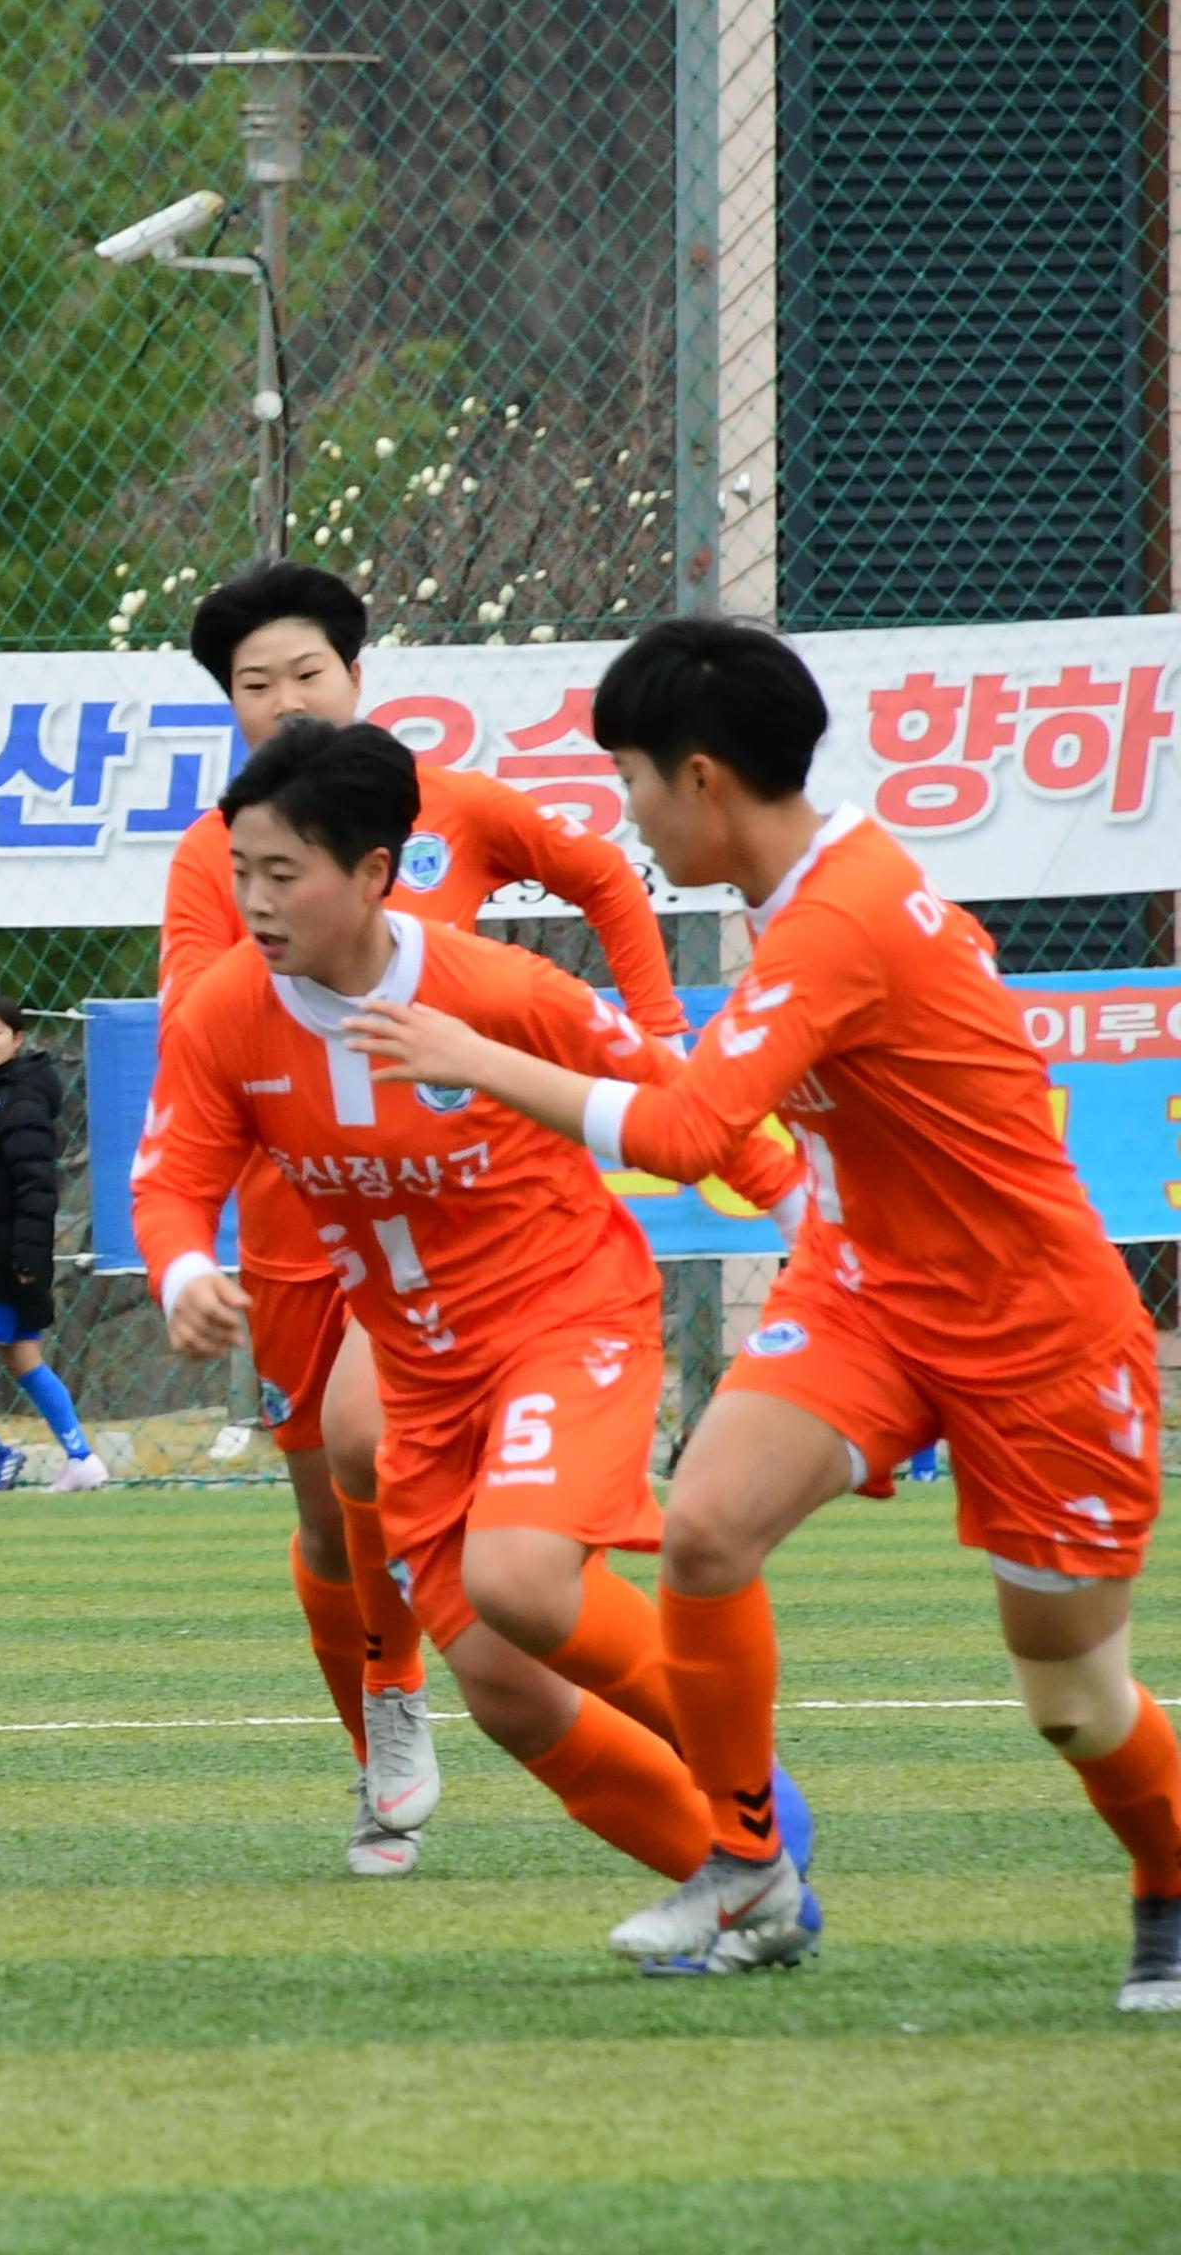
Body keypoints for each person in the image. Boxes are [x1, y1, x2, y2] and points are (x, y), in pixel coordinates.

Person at [346, 620, 1181, 2003]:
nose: (624, 814)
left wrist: (473, 1057)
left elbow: (679, 1132)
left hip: (1039, 1327)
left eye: (630, 781)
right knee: (708, 1529)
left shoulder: (842, 914)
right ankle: (748, 1868)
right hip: (870, 1292)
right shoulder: (790, 894)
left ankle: (1170, 1881)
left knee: (1073, 1699)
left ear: (703, 780)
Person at [137, 719, 810, 1934]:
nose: (255, 899)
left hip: (566, 1312)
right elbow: (172, 1175)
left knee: (519, 1574)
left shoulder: (501, 990)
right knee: (501, 1684)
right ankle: (754, 1896)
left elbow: (681, 1105)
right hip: (420, 1365)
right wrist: (184, 1264)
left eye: (282, 873)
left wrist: (807, 1210)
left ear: (377, 873)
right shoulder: (225, 1013)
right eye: (241, 871)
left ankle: (748, 1794)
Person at [165, 560, 692, 1876]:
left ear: (356, 676)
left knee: (368, 1445)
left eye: (306, 674)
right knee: (335, 1518)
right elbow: (201, 1046)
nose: (282, 701)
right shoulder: (217, 860)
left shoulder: (449, 815)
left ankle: (724, 1780)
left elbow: (609, 886)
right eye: (253, 684)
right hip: (305, 1220)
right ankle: (384, 1722)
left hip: (461, 1226)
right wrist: (185, 1253)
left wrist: (665, 1033)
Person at [0, 994, 98, 1492]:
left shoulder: (20, 1099)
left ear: (19, 1039)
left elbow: (35, 1185)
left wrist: (28, 1256)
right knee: (22, 1358)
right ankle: (82, 1459)